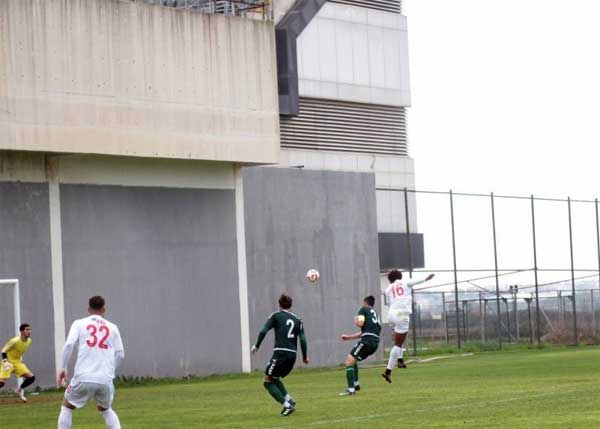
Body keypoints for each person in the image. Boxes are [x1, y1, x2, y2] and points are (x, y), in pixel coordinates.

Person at [57, 296, 125, 429]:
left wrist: (62, 367)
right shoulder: (113, 327)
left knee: (67, 407)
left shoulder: (79, 323)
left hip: (83, 376)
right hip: (105, 379)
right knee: (106, 409)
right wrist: (110, 372)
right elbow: (120, 355)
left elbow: (69, 345)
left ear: (88, 309)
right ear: (104, 309)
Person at [251, 293, 309, 417]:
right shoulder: (298, 320)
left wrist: (256, 345)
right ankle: (290, 400)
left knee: (267, 381)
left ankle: (287, 406)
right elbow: (303, 339)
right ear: (291, 305)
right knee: (275, 377)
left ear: (279, 304)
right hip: (292, 355)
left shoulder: (276, 316)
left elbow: (263, 331)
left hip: (280, 353)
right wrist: (304, 357)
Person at [381, 269, 434, 383]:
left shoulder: (389, 288)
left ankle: (400, 360)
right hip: (402, 314)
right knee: (398, 344)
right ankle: (388, 371)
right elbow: (416, 281)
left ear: (390, 279)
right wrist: (426, 278)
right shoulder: (405, 282)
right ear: (400, 277)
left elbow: (387, 297)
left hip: (391, 314)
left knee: (397, 338)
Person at [339, 295, 381, 396]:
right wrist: (349, 337)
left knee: (349, 362)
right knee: (354, 359)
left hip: (367, 341)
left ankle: (351, 390)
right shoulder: (375, 314)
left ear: (365, 302)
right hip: (374, 343)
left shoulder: (363, 309)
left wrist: (356, 319)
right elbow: (366, 332)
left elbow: (360, 323)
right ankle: (356, 384)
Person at [0, 323, 35, 402]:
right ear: (22, 331)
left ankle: (18, 390)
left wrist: (20, 361)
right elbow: (3, 350)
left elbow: (18, 351)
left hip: (17, 363)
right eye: (27, 330)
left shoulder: (29, 341)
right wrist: (5, 362)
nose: (29, 331)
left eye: (30, 329)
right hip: (8, 362)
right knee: (1, 383)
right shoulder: (14, 341)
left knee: (31, 378)